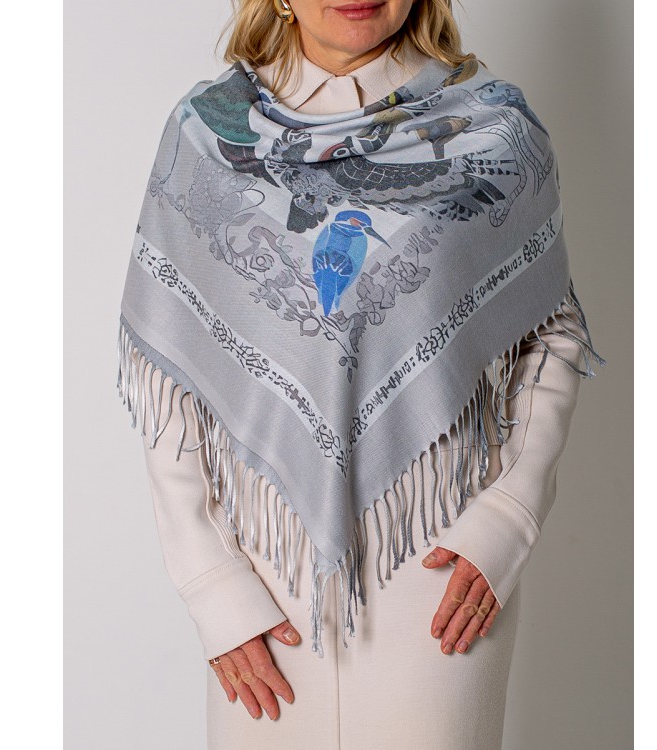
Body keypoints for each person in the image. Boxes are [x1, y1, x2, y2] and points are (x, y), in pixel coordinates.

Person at [120, 1, 603, 747]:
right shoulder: (209, 133)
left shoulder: (495, 130)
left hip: (439, 567)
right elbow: (170, 366)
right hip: (265, 574)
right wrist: (211, 582)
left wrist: (507, 518)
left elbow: (549, 334)